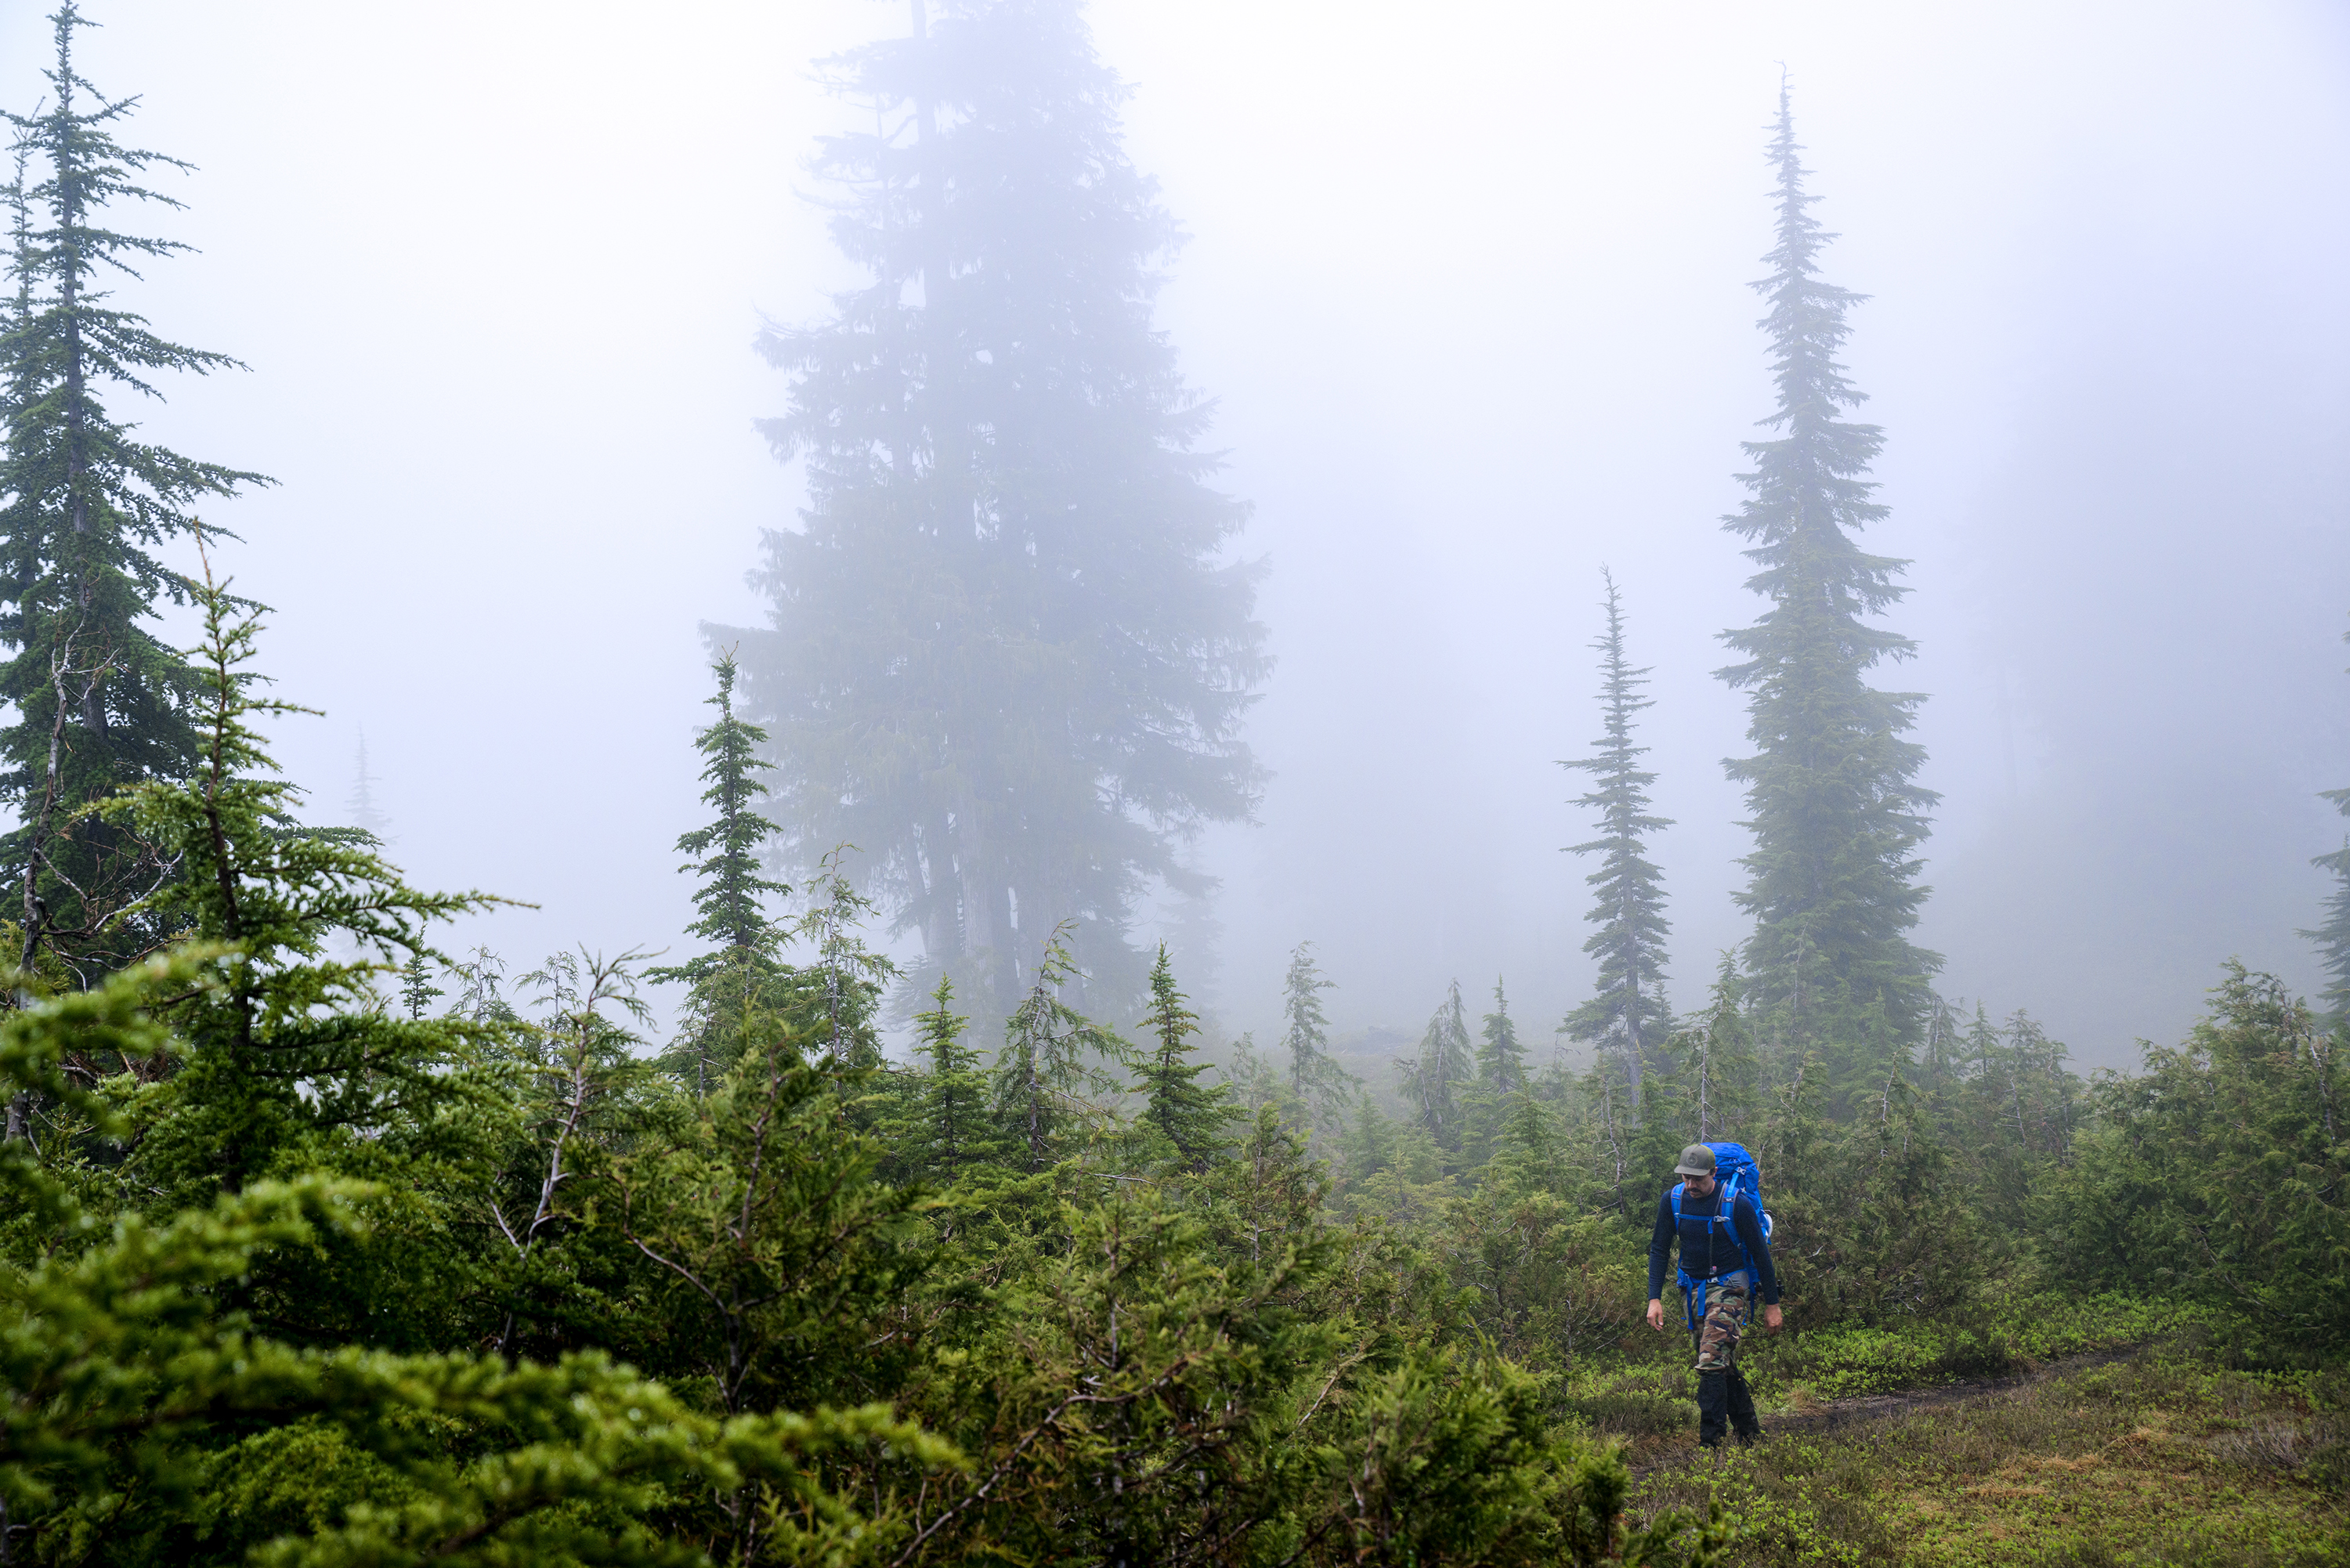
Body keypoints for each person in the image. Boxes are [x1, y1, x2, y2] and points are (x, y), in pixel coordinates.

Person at [1646, 1142, 1782, 1447]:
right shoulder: (1673, 1200)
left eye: (1698, 1179)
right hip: (1693, 1288)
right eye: (1686, 1178)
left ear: (1714, 1173)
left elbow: (1761, 1257)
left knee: (1709, 1362)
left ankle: (1711, 1445)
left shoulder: (1737, 1204)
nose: (1691, 1185)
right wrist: (1654, 1298)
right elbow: (1659, 1248)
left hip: (1731, 1287)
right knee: (1719, 1362)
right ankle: (1749, 1433)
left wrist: (1772, 1305)